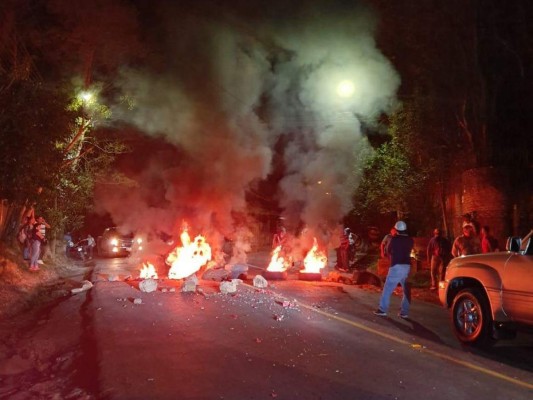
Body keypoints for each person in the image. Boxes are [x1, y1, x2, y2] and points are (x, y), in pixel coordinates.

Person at [374, 221, 414, 319]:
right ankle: (404, 312)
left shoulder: (394, 239)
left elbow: (388, 250)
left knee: (387, 289)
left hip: (396, 266)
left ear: (396, 230)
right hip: (407, 267)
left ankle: (382, 309)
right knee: (406, 290)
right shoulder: (410, 240)